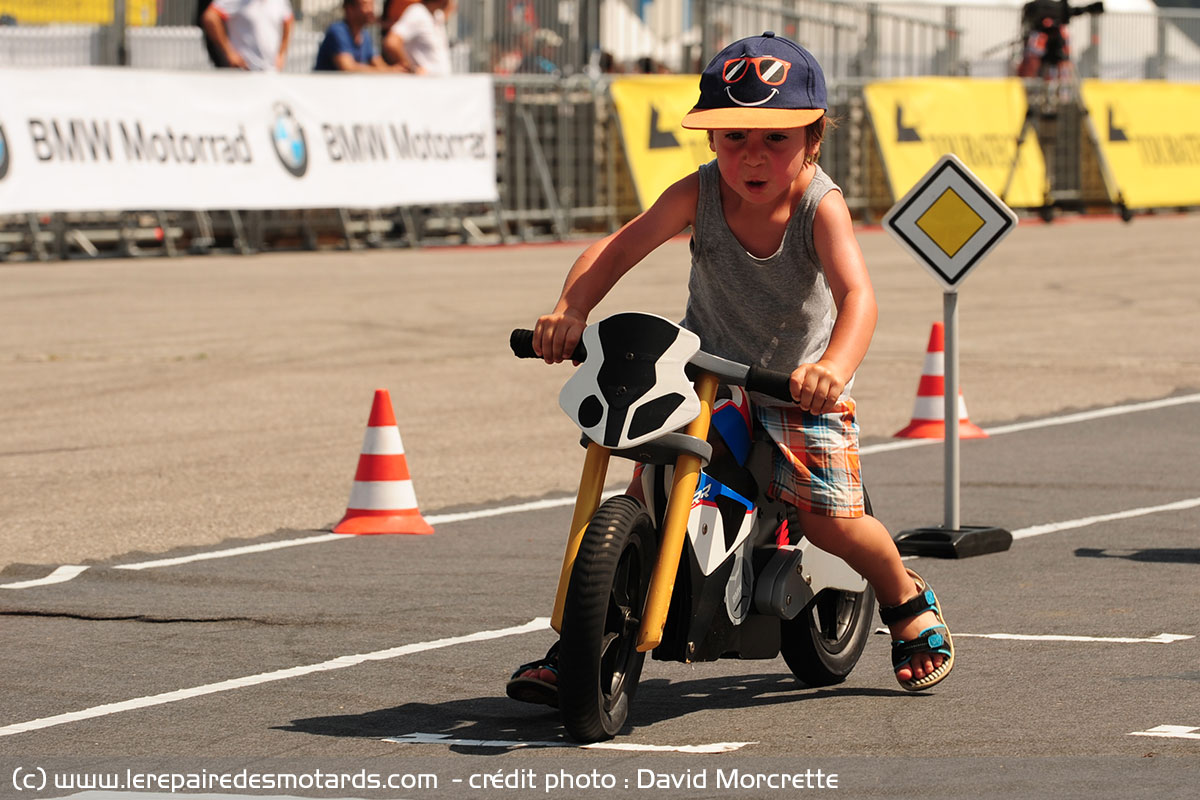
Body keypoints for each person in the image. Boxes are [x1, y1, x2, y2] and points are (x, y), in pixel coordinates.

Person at [506, 31, 956, 707]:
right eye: (732, 135)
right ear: (711, 140)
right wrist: (570, 307)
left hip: (796, 382)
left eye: (775, 139)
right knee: (647, 486)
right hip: (701, 366)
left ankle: (904, 596)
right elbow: (619, 248)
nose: (751, 155)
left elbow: (857, 296)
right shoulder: (701, 192)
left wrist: (833, 366)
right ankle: (579, 641)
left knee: (832, 519)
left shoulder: (818, 205)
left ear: (813, 138)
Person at [200, 0, 294, 71]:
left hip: (271, 70)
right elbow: (210, 18)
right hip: (244, 70)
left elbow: (288, 20)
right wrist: (229, 53)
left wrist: (281, 54)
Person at [314, 0, 392, 72]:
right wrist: (389, 72)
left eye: (372, 5)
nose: (371, 10)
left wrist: (393, 71)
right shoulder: (337, 31)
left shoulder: (365, 35)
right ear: (349, 9)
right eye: (365, 5)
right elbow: (348, 68)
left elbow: (378, 64)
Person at [382, 0, 455, 75]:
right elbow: (391, 43)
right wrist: (412, 68)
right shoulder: (417, 13)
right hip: (422, 84)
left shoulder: (437, 15)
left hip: (439, 84)